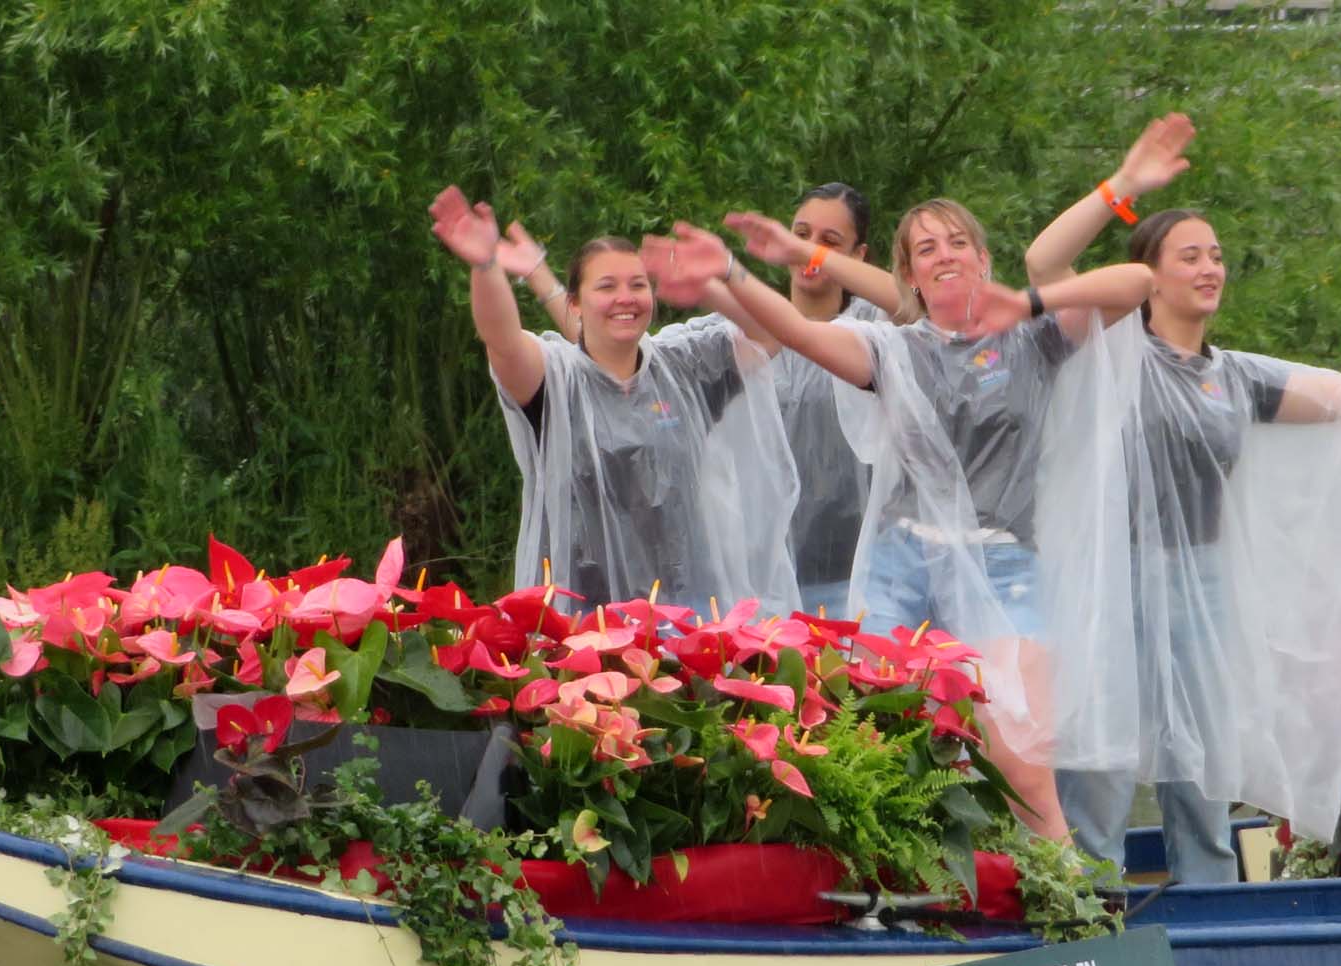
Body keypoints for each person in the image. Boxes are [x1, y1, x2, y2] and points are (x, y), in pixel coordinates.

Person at [1019, 118, 1341, 876]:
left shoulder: (1238, 375)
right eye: (1189, 255)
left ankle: (1214, 921)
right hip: (1109, 587)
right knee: (1101, 773)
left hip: (1203, 589)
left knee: (1206, 772)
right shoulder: (1106, 350)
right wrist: (1122, 188)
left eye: (1216, 255)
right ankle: (1090, 918)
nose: (1210, 267)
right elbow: (1043, 261)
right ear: (1145, 275)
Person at [646, 200, 1153, 839]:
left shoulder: (1036, 337)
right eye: (926, 248)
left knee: (1021, 763)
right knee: (876, 746)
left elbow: (1138, 285)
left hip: (1001, 565)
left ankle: (1074, 914)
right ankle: (900, 909)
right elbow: (801, 333)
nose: (944, 255)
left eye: (957, 242)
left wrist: (1024, 302)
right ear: (909, 275)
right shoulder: (893, 347)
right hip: (901, 567)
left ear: (982, 258)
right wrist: (730, 274)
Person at [508, 183, 889, 614]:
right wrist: (542, 279)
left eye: (829, 243)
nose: (809, 251)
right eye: (801, 236)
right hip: (758, 570)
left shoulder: (869, 333)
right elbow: (607, 361)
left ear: (859, 255)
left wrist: (730, 273)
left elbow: (908, 305)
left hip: (852, 572)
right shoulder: (730, 334)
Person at [428, 186, 799, 616]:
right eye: (607, 286)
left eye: (638, 285)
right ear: (574, 304)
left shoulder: (686, 367)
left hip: (689, 612)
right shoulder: (555, 380)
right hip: (585, 618)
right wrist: (485, 265)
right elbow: (503, 341)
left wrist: (714, 282)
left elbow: (772, 334)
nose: (626, 297)